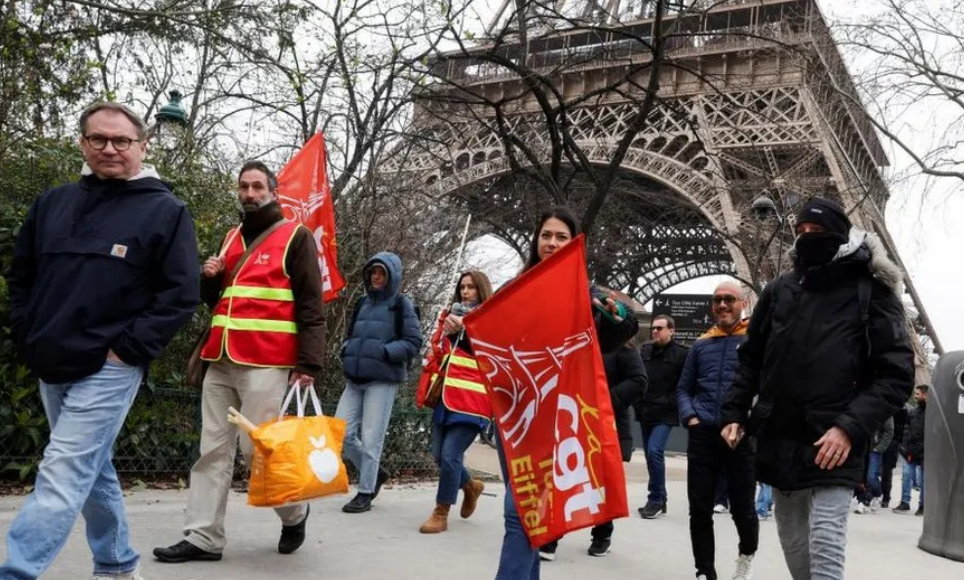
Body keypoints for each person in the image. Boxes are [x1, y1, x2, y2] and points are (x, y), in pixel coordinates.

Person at [2, 102, 200, 580]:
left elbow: (180, 294)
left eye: (121, 141)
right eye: (98, 139)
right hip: (51, 357)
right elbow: (22, 274)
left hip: (110, 364)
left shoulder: (166, 211)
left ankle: (17, 571)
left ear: (142, 146)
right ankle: (115, 564)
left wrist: (127, 350)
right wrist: (27, 331)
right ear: (83, 143)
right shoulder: (53, 202)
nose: (110, 149)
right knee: (92, 468)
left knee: (62, 471)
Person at [721, 197, 914, 580]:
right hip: (781, 438)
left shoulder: (871, 294)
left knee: (825, 546)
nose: (808, 238)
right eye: (801, 232)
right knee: (796, 548)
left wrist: (849, 427)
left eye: (818, 232)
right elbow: (752, 358)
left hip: (835, 443)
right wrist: (734, 412)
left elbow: (896, 375)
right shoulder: (779, 291)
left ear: (840, 235)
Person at [154, 160, 326, 563]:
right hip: (221, 356)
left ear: (273, 191)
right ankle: (203, 538)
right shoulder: (232, 236)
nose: (249, 194)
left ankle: (295, 511)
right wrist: (211, 279)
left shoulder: (296, 237)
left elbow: (311, 306)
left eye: (257, 187)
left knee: (259, 451)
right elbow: (221, 303)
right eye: (244, 187)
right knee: (210, 450)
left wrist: (309, 366)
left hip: (267, 361)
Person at [481, 207, 638, 578]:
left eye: (561, 237)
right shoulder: (513, 290)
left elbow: (620, 333)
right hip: (517, 413)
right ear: (536, 240)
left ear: (574, 242)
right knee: (526, 510)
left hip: (557, 416)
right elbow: (486, 341)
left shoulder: (587, 293)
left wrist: (617, 314)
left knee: (520, 510)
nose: (552, 242)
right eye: (546, 235)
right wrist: (462, 330)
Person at [676, 280, 758, 580]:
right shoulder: (700, 345)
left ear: (742, 304)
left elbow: (766, 389)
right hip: (703, 435)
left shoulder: (754, 343)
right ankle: (704, 572)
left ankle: (746, 555)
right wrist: (691, 418)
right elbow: (684, 388)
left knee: (743, 510)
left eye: (729, 300)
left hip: (740, 437)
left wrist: (748, 423)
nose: (722, 305)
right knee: (699, 509)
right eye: (717, 300)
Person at [539, 334, 647, 558]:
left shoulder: (623, 346)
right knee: (564, 475)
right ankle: (552, 536)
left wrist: (604, 399)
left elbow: (638, 380)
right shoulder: (574, 341)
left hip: (607, 423)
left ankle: (602, 534)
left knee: (602, 480)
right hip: (572, 420)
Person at [337, 252, 423, 513]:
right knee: (340, 434)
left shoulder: (401, 305)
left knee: (371, 438)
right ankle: (375, 473)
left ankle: (365, 492)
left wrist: (385, 352)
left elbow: (414, 342)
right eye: (373, 272)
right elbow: (352, 334)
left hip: (382, 381)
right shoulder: (362, 302)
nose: (376, 277)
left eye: (382, 273)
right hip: (354, 379)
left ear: (392, 276)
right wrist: (346, 348)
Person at [417, 270, 495, 534]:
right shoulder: (450, 315)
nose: (465, 291)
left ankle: (441, 512)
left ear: (481, 289)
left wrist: (465, 328)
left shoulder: (491, 318)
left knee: (451, 456)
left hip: (473, 400)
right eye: (463, 287)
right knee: (439, 456)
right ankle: (471, 486)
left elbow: (489, 352)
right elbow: (439, 350)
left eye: (472, 287)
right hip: (447, 396)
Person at [635, 314, 688, 519]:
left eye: (659, 328)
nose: (655, 331)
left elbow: (684, 385)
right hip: (646, 410)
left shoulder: (682, 354)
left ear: (671, 331)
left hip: (665, 413)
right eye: (654, 328)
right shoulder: (645, 350)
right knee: (650, 454)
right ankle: (660, 497)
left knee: (655, 451)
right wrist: (638, 402)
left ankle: (655, 499)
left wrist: (668, 402)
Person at [894, 385, 928, 516]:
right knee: (907, 476)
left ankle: (923, 506)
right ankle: (905, 502)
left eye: (918, 394)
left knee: (924, 480)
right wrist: (904, 446)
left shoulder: (934, 413)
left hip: (926, 452)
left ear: (925, 395)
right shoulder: (913, 412)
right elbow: (907, 429)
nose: (915, 396)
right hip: (910, 450)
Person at [854, 417, 894, 514]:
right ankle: (863, 500)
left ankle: (876, 494)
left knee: (871, 476)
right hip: (863, 447)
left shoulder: (885, 408)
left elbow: (889, 431)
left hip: (875, 449)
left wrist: (879, 448)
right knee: (861, 476)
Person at [880, 406, 908, 508]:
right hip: (880, 439)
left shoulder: (903, 410)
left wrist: (899, 443)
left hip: (893, 442)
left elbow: (904, 428)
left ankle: (885, 497)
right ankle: (877, 494)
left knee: (886, 471)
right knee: (877, 471)